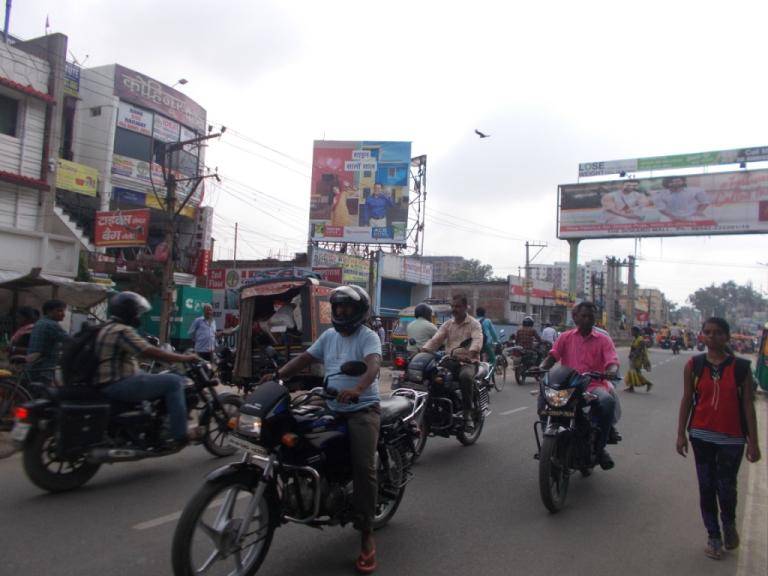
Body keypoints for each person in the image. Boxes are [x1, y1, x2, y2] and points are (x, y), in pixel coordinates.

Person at [260, 285, 382, 573]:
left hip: (362, 410)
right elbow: (305, 359)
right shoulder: (329, 336)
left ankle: (366, 536)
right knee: (296, 435)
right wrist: (277, 376)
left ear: (359, 312)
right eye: (337, 308)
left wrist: (358, 389)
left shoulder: (369, 337)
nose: (340, 312)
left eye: (346, 308)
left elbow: (373, 365)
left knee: (364, 468)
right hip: (330, 403)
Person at [675, 317, 761, 560]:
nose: (712, 337)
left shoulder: (742, 368)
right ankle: (713, 536)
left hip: (732, 440)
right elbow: (687, 399)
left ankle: (729, 524)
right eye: (708, 332)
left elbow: (748, 407)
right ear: (702, 335)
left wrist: (753, 442)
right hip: (701, 436)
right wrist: (681, 433)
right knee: (706, 487)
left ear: (727, 337)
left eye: (718, 333)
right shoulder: (694, 364)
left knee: (726, 487)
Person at [96, 292, 201, 448]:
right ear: (129, 312)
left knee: (161, 376)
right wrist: (184, 358)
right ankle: (180, 433)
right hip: (119, 383)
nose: (138, 316)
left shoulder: (107, 328)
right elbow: (148, 351)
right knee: (175, 382)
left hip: (112, 380)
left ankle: (153, 422)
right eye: (137, 312)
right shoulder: (121, 331)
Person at [539, 301, 620, 470]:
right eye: (583, 316)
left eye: (591, 316)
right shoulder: (565, 337)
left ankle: (600, 448)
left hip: (593, 385)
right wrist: (541, 368)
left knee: (608, 402)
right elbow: (552, 356)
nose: (587, 319)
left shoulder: (603, 340)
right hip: (568, 386)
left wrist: (611, 370)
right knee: (543, 398)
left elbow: (612, 361)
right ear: (575, 317)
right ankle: (549, 440)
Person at [422, 293, 483, 431]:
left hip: (468, 362)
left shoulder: (474, 324)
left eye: (458, 306)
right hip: (450, 361)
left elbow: (477, 339)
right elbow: (436, 339)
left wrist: (472, 353)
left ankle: (467, 414)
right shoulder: (448, 324)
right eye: (453, 306)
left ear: (465, 307)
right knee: (432, 375)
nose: (454, 309)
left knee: (465, 377)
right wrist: (424, 350)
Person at [26, 299, 70, 385]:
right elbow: (70, 340)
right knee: (44, 394)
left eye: (63, 311)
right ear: (49, 311)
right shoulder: (51, 325)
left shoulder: (40, 322)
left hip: (34, 365)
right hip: (43, 367)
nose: (63, 314)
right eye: (59, 311)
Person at [625, 326, 653, 392]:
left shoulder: (640, 340)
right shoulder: (636, 339)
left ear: (636, 332)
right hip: (633, 358)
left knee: (635, 373)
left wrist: (633, 357)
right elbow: (633, 348)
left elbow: (639, 350)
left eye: (633, 331)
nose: (631, 332)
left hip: (637, 359)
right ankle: (631, 387)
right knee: (632, 373)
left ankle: (648, 383)